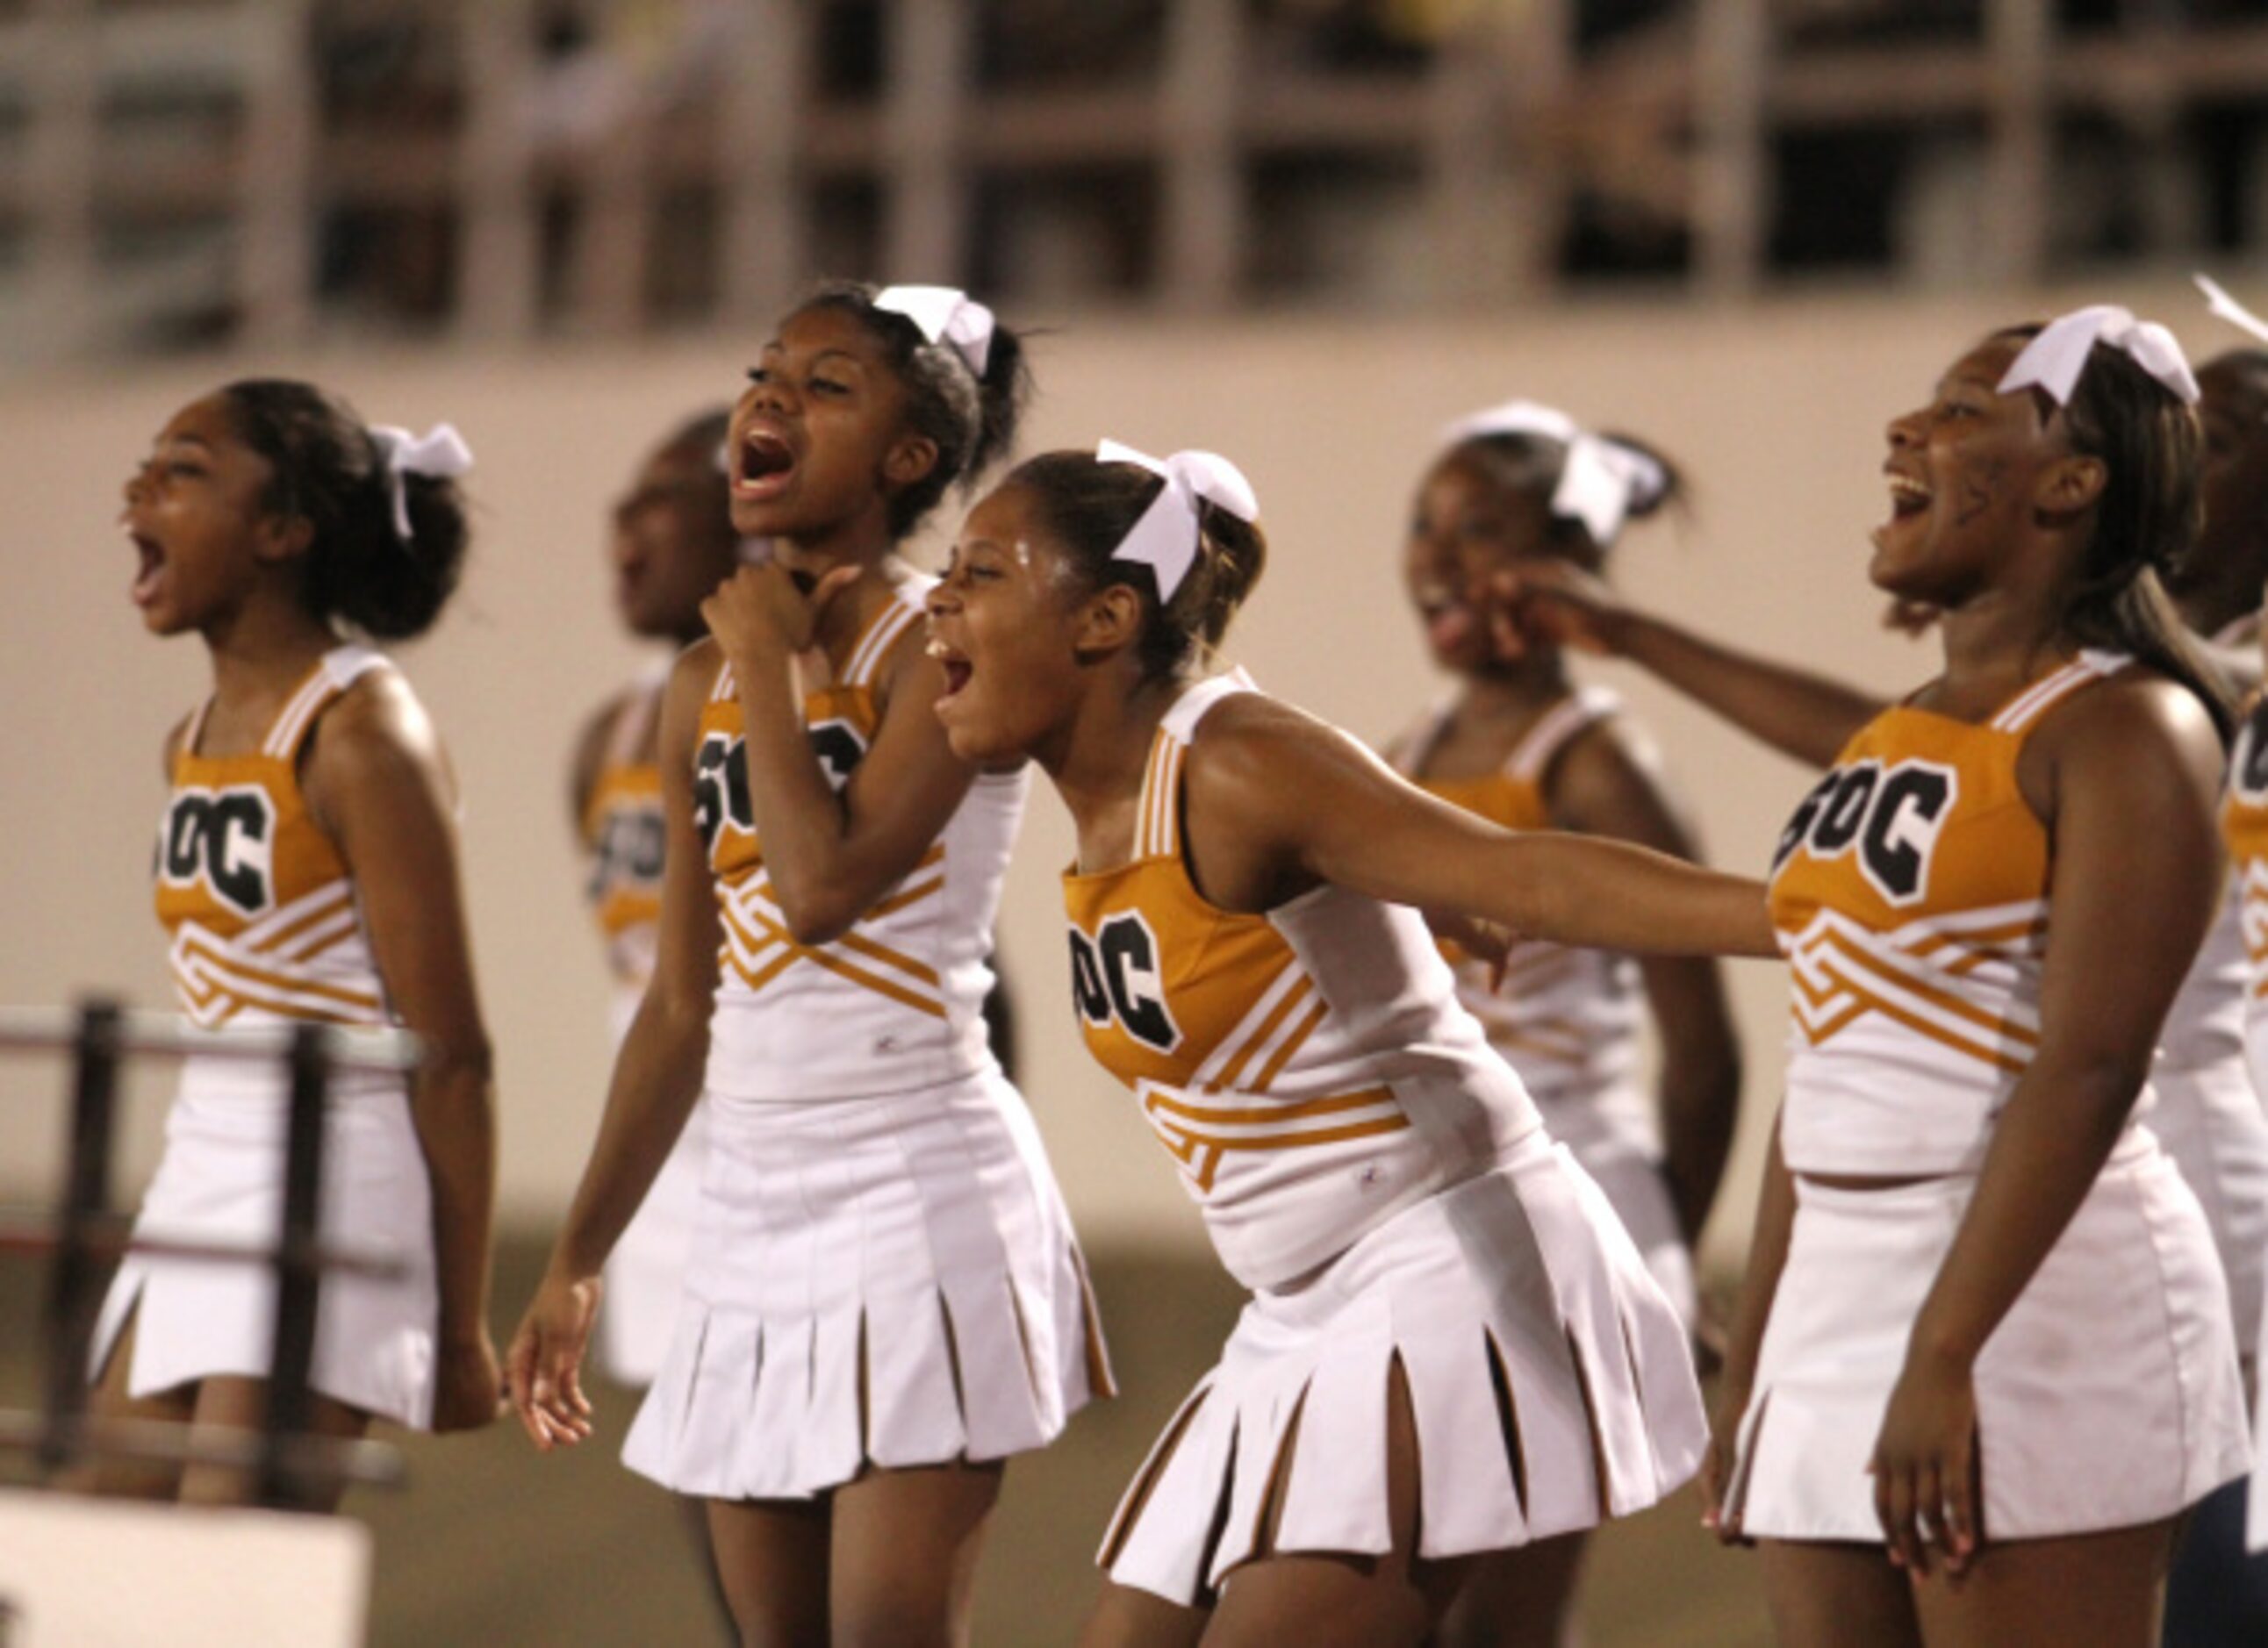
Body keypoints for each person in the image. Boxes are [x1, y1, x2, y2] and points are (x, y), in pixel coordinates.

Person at [923, 438, 1770, 1644]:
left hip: (1438, 1270)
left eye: (984, 571)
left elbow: (1523, 873)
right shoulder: (1110, 801)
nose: (941, 597)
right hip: (1296, 1307)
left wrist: (1805, 913)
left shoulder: (1230, 756)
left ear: (1107, 616)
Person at [1505, 335, 2268, 1644]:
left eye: (1965, 410)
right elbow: (1835, 1045)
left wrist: (1945, 1351)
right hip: (1843, 1295)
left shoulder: (2138, 723)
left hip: (2036, 1288)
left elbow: (2086, 1067)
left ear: (2071, 484)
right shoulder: (1902, 728)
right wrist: (1760, 1355)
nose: (1907, 430)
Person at [509, 283, 1108, 1648]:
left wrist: (772, 670)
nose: (770, 400)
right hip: (746, 1209)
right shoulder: (695, 685)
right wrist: (580, 1255)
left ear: (908, 461)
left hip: (916, 1183)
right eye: (764, 372)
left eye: (827, 385)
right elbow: (677, 1005)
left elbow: (825, 885)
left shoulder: (950, 642)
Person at [75, 380, 499, 1508]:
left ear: (282, 531)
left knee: (224, 1590)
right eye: (146, 466)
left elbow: (450, 1053)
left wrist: (458, 1327)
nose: (140, 492)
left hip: (330, 1176)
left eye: (184, 469)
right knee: (90, 1568)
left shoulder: (364, 732)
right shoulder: (191, 741)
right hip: (198, 1174)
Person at [1383, 401, 1743, 1646]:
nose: (1436, 556)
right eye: (1423, 525)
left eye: (1478, 529)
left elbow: (1704, 1054)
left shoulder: (1596, 764)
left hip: (1569, 1192)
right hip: (1434, 1202)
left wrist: (1662, 1263)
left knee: (1500, 1618)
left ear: (1563, 554)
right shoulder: (1405, 751)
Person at [568, 406, 739, 1390]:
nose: (623, 528)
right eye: (619, 505)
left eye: (658, 501)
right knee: (692, 1473)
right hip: (665, 1141)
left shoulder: (806, 704)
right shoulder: (609, 736)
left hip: (790, 1126)